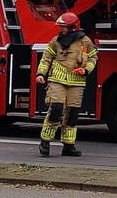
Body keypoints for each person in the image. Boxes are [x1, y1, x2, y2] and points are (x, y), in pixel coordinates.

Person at [36, 12, 98, 157]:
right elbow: (46, 58)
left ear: (73, 27)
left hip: (77, 81)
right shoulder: (56, 41)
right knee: (56, 109)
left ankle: (68, 145)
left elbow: (93, 58)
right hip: (57, 79)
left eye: (64, 27)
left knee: (72, 114)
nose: (61, 29)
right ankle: (45, 141)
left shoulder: (85, 41)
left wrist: (86, 69)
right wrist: (41, 74)